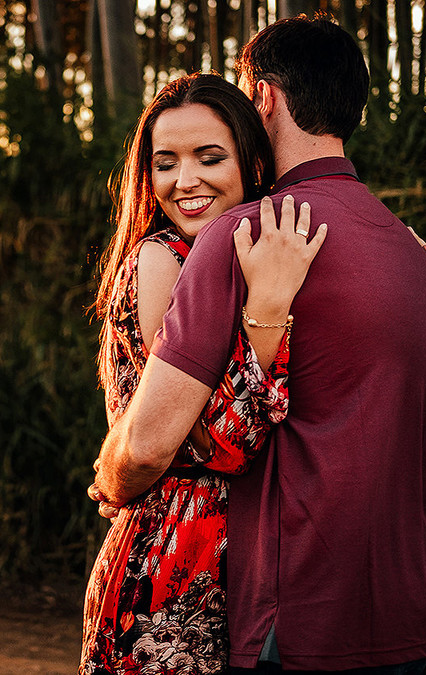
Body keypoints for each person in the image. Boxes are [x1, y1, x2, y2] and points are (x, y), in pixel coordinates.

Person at [91, 16, 426, 674]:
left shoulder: (238, 238)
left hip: (304, 625)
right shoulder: (411, 252)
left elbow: (150, 444)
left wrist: (108, 476)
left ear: (262, 97)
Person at [81, 73, 326, 674]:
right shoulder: (164, 258)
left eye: (208, 158)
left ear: (249, 158)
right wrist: (267, 316)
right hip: (170, 557)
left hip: (228, 554)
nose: (184, 182)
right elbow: (213, 440)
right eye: (165, 163)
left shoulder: (235, 250)